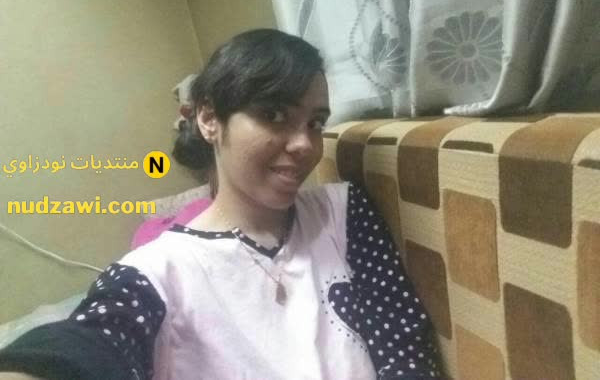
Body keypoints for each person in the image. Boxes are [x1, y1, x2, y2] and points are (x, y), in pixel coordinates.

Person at [0, 29, 442, 379]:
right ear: (209, 118)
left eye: (315, 122)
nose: (305, 144)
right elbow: (93, 342)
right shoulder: (155, 274)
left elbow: (405, 350)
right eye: (274, 115)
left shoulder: (343, 215)